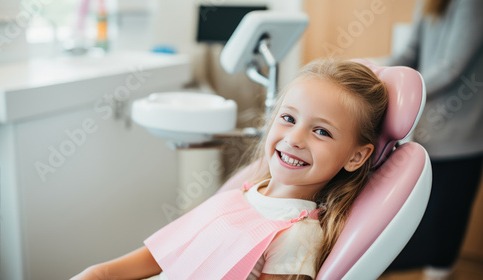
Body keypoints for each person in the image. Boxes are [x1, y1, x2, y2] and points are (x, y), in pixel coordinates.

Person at [70, 59, 389, 280]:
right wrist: (99, 273)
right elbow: (166, 254)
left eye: (322, 131)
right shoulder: (246, 193)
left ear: (356, 157)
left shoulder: (297, 236)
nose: (294, 139)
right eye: (288, 119)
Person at [385, 0, 483, 279]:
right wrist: (374, 76)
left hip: (462, 136)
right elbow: (408, 54)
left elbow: (451, 68)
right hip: (432, 132)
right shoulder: (429, 3)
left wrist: (399, 88)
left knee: (447, 219)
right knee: (430, 217)